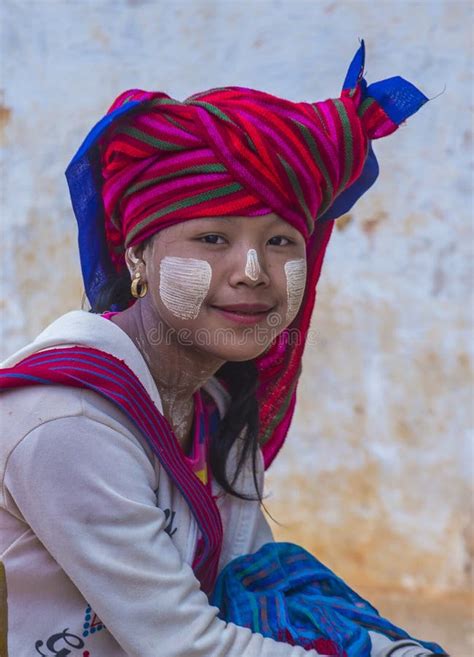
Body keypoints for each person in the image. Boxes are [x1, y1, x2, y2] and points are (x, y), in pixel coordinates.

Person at [0, 41, 446, 657]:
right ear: (138, 254)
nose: (253, 271)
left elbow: (256, 585)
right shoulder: (66, 423)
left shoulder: (212, 402)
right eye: (212, 237)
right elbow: (186, 645)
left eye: (283, 240)